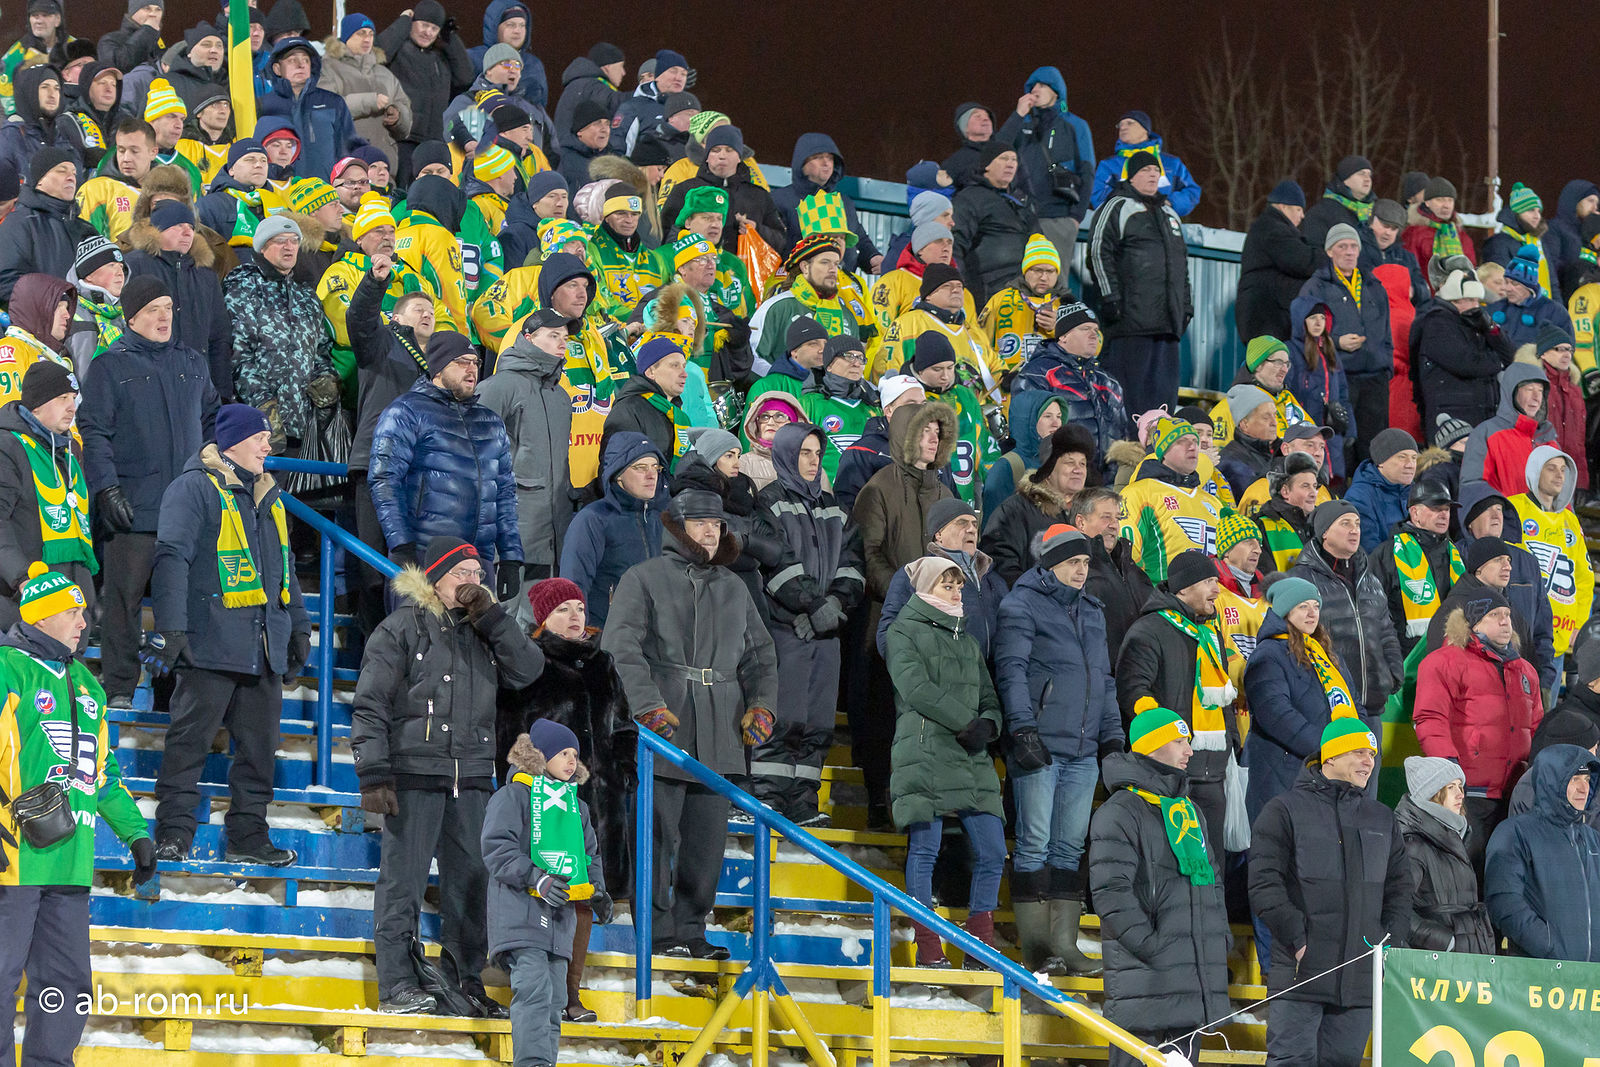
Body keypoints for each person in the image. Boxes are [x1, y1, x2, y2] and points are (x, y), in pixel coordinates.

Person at [354, 536, 545, 1013]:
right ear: (435, 579)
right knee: (403, 883)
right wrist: (373, 772)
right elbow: (371, 703)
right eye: (462, 573)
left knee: (473, 882)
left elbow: (529, 670)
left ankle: (465, 983)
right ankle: (397, 984)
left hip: (474, 775)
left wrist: (493, 618)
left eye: (478, 574)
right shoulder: (401, 627)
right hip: (414, 772)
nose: (472, 581)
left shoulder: (487, 629)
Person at [603, 490, 778, 958]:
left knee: (707, 843)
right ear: (678, 527)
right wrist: (647, 706)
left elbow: (760, 655)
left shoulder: (734, 586)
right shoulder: (643, 578)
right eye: (700, 523)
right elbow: (620, 647)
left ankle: (692, 930)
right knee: (655, 839)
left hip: (721, 730)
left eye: (716, 524)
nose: (710, 532)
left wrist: (762, 706)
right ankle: (658, 936)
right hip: (663, 731)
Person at [0, 562, 154, 1067]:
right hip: (13, 861)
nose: (84, 622)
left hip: (70, 863)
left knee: (66, 987)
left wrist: (135, 834)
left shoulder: (88, 683)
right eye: (73, 612)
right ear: (41, 616)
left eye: (84, 612)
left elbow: (101, 773)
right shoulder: (7, 668)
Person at [147, 404, 310, 865]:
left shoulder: (270, 496)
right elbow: (171, 558)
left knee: (259, 755)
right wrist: (171, 628)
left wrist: (298, 626)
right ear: (233, 441)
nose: (268, 446)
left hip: (263, 646)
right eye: (260, 437)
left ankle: (248, 837)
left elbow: (285, 569)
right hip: (210, 644)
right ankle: (174, 833)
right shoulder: (193, 488)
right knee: (188, 747)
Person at [78, 277, 219, 708]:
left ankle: (171, 693)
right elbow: (94, 432)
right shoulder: (109, 366)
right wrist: (106, 488)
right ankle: (120, 687)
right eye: (153, 309)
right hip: (133, 508)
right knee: (124, 602)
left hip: (186, 512)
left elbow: (212, 421)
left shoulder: (193, 362)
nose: (163, 317)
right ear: (132, 317)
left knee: (181, 606)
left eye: (168, 308)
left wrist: (212, 475)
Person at [498, 579, 634, 1022]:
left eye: (579, 607)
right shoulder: (530, 663)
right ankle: (543, 988)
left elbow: (624, 725)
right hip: (547, 804)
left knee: (583, 894)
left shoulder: (603, 663)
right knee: (547, 892)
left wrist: (623, 769)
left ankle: (571, 994)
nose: (575, 616)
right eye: (562, 609)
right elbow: (511, 733)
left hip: (599, 803)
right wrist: (529, 787)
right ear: (542, 618)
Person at [1250, 718, 1413, 1066]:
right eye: (1359, 752)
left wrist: (1388, 942)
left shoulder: (1382, 818)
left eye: (1372, 754)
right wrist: (1299, 940)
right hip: (1301, 975)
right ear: (1331, 757)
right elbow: (1264, 885)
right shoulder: (1284, 810)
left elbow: (1400, 889)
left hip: (1359, 981)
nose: (1369, 761)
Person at [996, 525, 1118, 976]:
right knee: (1034, 844)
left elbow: (1103, 680)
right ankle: (1036, 948)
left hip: (1083, 749)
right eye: (1072, 562)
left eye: (1085, 562)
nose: (1082, 570)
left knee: (1069, 848)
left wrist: (1113, 736)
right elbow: (1011, 670)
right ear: (1049, 565)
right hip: (1041, 743)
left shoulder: (1093, 611)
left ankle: (1065, 945)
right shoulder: (1021, 604)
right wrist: (1023, 729)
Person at [884, 555, 1006, 967]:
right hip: (925, 750)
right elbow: (914, 687)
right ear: (924, 589)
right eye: (946, 585)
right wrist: (966, 721)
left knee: (993, 850)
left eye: (958, 586)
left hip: (970, 753)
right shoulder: (904, 630)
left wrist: (989, 724)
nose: (956, 594)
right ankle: (928, 945)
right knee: (924, 849)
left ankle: (979, 945)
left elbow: (989, 695)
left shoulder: (967, 640)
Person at [1089, 707, 1229, 1067]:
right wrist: (1154, 947)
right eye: (1180, 741)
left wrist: (1219, 936)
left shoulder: (1190, 812)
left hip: (1190, 985)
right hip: (1145, 988)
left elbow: (1212, 881)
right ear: (1153, 746)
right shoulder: (1120, 811)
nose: (1190, 751)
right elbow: (1111, 894)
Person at [747, 423, 863, 825]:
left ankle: (802, 803)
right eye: (804, 454)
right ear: (785, 455)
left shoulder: (835, 509)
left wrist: (834, 606)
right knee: (784, 716)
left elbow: (853, 565)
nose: (813, 462)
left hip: (825, 634)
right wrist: (813, 606)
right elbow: (775, 562)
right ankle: (767, 798)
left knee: (817, 723)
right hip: (785, 628)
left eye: (817, 454)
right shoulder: (768, 503)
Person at [482, 720, 607, 1060]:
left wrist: (598, 891)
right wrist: (536, 878)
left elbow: (589, 856)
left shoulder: (576, 807)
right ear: (540, 755)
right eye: (563, 753)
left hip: (560, 922)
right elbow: (497, 848)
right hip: (521, 916)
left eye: (575, 754)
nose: (571, 760)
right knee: (534, 993)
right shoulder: (513, 796)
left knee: (554, 1001)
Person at [369, 332, 523, 597]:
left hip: (478, 561)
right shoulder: (406, 411)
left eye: (475, 362)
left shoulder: (491, 422)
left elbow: (505, 493)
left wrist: (510, 555)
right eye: (462, 361)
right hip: (425, 557)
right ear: (438, 368)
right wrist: (401, 544)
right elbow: (384, 479)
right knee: (419, 626)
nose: (471, 369)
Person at [1116, 548, 1237, 866]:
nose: (1217, 589)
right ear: (1183, 588)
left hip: (1212, 772)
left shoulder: (1211, 634)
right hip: (1169, 774)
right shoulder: (1149, 630)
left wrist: (1231, 742)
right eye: (1209, 581)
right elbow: (1133, 693)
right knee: (1171, 867)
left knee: (1212, 867)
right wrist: (1166, 744)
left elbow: (1222, 698)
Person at [1087, 150, 1192, 416]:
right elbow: (1098, 252)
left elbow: (1182, 267)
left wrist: (1186, 308)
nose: (1153, 175)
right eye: (1146, 170)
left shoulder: (1170, 214)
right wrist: (1110, 297)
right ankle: (1124, 443)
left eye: (1156, 171)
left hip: (1168, 327)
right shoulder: (1117, 206)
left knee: (1163, 401)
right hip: (1130, 325)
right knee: (1127, 400)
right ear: (1131, 177)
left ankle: (1158, 443)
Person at [223, 215, 338, 446]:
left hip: (303, 425)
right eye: (280, 240)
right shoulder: (243, 288)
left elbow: (320, 351)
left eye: (294, 240)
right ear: (262, 247)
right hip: (255, 427)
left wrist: (326, 380)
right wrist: (263, 405)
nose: (289, 246)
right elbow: (238, 355)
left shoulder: (306, 296)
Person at [1290, 501, 1403, 736]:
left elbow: (1386, 630)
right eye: (1345, 523)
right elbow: (1293, 641)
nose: (1355, 530)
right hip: (1328, 708)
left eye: (1357, 524)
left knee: (1370, 762)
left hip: (1372, 708)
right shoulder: (1300, 579)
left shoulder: (1369, 579)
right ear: (1324, 532)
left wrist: (1392, 673)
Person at [0, 362, 95, 632]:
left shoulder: (67, 450)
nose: (72, 407)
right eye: (62, 398)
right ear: (36, 405)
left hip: (71, 605)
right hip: (26, 604)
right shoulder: (7, 447)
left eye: (74, 398)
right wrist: (24, 579)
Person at [1484, 743, 1600, 961]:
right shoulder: (1515, 832)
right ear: (1552, 780)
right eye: (1574, 779)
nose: (1583, 788)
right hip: (1538, 971)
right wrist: (1550, 947)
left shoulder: (1593, 839)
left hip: (1591, 975)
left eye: (1587, 779)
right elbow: (1503, 902)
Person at [122, 178, 231, 399]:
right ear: (158, 230)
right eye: (178, 226)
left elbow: (219, 336)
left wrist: (222, 393)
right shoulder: (133, 265)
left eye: (190, 227)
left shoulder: (205, 274)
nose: (187, 232)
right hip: (150, 387)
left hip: (200, 388)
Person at [1294, 224, 1392, 464]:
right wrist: (1337, 342)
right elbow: (1302, 330)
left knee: (1374, 451)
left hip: (1375, 379)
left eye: (1353, 246)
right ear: (1329, 251)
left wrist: (1386, 365)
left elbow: (1387, 332)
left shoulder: (1374, 285)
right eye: (1342, 246)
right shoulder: (1316, 286)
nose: (1349, 252)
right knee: (1342, 447)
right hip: (1340, 376)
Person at [876, 496, 1009, 660]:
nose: (972, 529)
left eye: (975, 524)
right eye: (962, 523)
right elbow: (889, 638)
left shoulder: (994, 579)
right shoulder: (914, 574)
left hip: (988, 675)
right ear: (939, 534)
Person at [559, 434, 667, 629]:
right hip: (606, 636)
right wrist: (587, 639)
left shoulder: (663, 518)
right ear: (618, 474)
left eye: (655, 467)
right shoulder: (593, 519)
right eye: (640, 467)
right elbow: (573, 587)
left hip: (655, 637)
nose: (651, 475)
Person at [996, 66, 1094, 282]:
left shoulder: (1075, 125)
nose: (1035, 90)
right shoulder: (1022, 123)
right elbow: (995, 152)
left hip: (1058, 218)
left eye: (1042, 85)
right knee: (1015, 282)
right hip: (1020, 216)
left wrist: (1075, 217)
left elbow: (1087, 172)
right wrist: (1018, 114)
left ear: (1056, 92)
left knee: (1052, 283)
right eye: (1032, 87)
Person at [1008, 302, 1133, 471]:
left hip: (1106, 481)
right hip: (1059, 477)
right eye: (1085, 329)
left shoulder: (1109, 382)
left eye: (1096, 330)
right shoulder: (1037, 374)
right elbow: (1026, 435)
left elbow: (1123, 435)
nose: (1094, 335)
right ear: (1063, 336)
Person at [1396, 755, 1496, 954]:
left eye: (1460, 786)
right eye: (1451, 787)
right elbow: (1396, 909)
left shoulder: (1458, 836)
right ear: (1432, 793)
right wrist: (1446, 943)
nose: (1460, 794)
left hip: (1465, 956)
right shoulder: (1413, 844)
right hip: (1435, 962)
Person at [1509, 445, 1593, 665]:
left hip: (1558, 639)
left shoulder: (1570, 520)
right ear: (1536, 471)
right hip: (1517, 635)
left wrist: (1579, 624)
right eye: (1551, 468)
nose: (1559, 475)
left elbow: (1584, 577)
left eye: (1563, 470)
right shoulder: (1512, 508)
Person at [1118, 415, 1223, 584]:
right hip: (1160, 596)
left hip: (1213, 596)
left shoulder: (1213, 502)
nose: (1192, 447)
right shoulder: (1139, 493)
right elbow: (1126, 557)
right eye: (1182, 441)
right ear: (1163, 450)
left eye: (1194, 441)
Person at [980, 423, 1087, 586]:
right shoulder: (1015, 510)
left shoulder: (1090, 511)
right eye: (1069, 462)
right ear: (1048, 470)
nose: (1078, 470)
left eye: (1083, 464)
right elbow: (1000, 566)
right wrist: (1036, 595)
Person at [1412, 267, 1517, 431]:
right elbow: (1468, 364)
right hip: (1452, 417)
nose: (1476, 306)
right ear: (1454, 300)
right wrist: (1499, 363)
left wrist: (1491, 328)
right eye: (1470, 300)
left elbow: (1510, 355)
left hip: (1481, 412)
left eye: (1477, 300)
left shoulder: (1476, 322)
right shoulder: (1436, 324)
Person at [377, 3, 474, 181]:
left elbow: (465, 77)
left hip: (433, 142)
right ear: (412, 23)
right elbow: (379, 53)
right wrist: (403, 22)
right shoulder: (398, 52)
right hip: (402, 140)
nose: (428, 32)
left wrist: (450, 38)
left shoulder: (440, 58)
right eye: (424, 25)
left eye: (434, 28)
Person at [659, 125, 786, 258]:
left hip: (744, 269)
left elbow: (781, 241)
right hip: (694, 267)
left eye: (729, 150)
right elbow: (665, 234)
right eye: (715, 150)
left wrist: (757, 229)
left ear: (739, 157)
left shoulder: (759, 196)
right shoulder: (685, 190)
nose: (722, 156)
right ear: (706, 156)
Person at [1370, 479, 1462, 653]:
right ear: (1415, 513)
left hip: (1454, 654)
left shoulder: (1455, 554)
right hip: (1407, 658)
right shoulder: (1387, 554)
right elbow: (1373, 612)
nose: (1444, 515)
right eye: (1436, 508)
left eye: (1447, 509)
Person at [772, 134, 882, 273]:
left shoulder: (844, 202)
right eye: (818, 157)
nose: (826, 163)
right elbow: (771, 248)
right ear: (801, 163)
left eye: (830, 158)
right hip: (794, 282)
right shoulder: (779, 200)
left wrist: (873, 257)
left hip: (842, 283)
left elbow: (860, 239)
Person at [951, 140, 1038, 309]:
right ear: (986, 165)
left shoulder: (1022, 203)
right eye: (1003, 158)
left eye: (1014, 159)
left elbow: (1040, 244)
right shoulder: (969, 198)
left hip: (1024, 290)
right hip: (987, 290)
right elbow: (955, 244)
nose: (1010, 164)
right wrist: (959, 287)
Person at [318, 15, 412, 169]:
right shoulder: (327, 68)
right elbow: (326, 109)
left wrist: (398, 116)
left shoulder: (385, 74)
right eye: (360, 33)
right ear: (346, 36)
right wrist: (370, 102)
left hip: (383, 166)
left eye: (371, 34)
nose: (367, 39)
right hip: (345, 165)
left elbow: (405, 118)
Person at [0, 148, 92, 303]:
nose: (71, 178)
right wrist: (54, 303)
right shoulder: (20, 223)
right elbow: (6, 280)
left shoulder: (86, 230)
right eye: (62, 171)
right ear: (40, 180)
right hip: (40, 316)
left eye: (74, 173)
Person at [1238, 180, 1324, 343]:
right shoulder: (1272, 228)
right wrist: (1329, 256)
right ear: (1283, 207)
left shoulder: (1269, 227)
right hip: (1266, 319)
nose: (1302, 215)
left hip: (1266, 317)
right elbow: (1302, 261)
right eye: (1298, 209)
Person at [1458, 359, 1553, 500]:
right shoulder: (1486, 433)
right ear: (1512, 392)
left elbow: (1563, 495)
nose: (1536, 397)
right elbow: (1473, 487)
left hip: (1547, 515)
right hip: (1507, 513)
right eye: (1529, 389)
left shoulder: (1549, 438)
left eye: (1540, 391)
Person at [1090, 109, 1200, 216]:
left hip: (1164, 222)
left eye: (1129, 123)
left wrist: (1169, 203)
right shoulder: (1109, 165)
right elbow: (1098, 195)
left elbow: (1192, 192)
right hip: (1125, 224)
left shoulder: (1171, 163)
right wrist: (1129, 210)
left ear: (1145, 129)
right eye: (1120, 125)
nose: (1122, 127)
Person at [977, 234, 1063, 369]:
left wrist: (1059, 329)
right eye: (1038, 270)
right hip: (1007, 378)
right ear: (1025, 271)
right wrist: (998, 374)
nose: (1044, 277)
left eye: (1050, 271)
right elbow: (978, 341)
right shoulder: (1001, 299)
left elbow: (1094, 346)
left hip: (1052, 379)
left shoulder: (1068, 304)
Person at [1530, 325, 1589, 494]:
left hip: (1569, 477)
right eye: (1559, 349)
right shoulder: (1534, 387)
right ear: (1543, 353)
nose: (1567, 355)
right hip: (1541, 477)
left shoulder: (1575, 390)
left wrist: (1581, 482)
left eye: (1569, 350)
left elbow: (1579, 442)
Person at [1343, 428, 1417, 555]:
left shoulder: (1415, 491)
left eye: (1414, 458)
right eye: (1402, 457)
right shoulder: (1359, 496)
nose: (1410, 465)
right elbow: (1370, 552)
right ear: (1381, 462)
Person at [1487, 246, 1573, 351]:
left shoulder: (1555, 312)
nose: (1507, 288)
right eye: (1506, 282)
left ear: (1529, 287)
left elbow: (1565, 351)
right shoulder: (1494, 308)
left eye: (1514, 283)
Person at [1256, 453, 1322, 573]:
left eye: (1315, 486)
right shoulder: (1262, 526)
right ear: (1285, 491)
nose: (1313, 493)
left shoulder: (1321, 523)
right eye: (1305, 486)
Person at [1216, 384, 1281, 500]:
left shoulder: (1282, 451)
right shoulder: (1231, 463)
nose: (1274, 423)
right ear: (1244, 424)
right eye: (1266, 417)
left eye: (1275, 415)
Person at [1402, 177, 1477, 275]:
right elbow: (1408, 270)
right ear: (1427, 202)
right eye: (1439, 200)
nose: (1446, 205)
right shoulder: (1413, 234)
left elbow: (1471, 268)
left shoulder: (1461, 235)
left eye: (1450, 200)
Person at [553, 42, 625, 139]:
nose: (623, 72)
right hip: (575, 147)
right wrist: (641, 94)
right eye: (621, 66)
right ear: (608, 67)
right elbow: (614, 101)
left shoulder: (582, 84)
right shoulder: (590, 86)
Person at [99, 1, 165, 72]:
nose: (153, 14)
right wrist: (147, 30)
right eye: (146, 8)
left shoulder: (158, 42)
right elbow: (120, 66)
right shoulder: (109, 40)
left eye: (158, 9)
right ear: (133, 12)